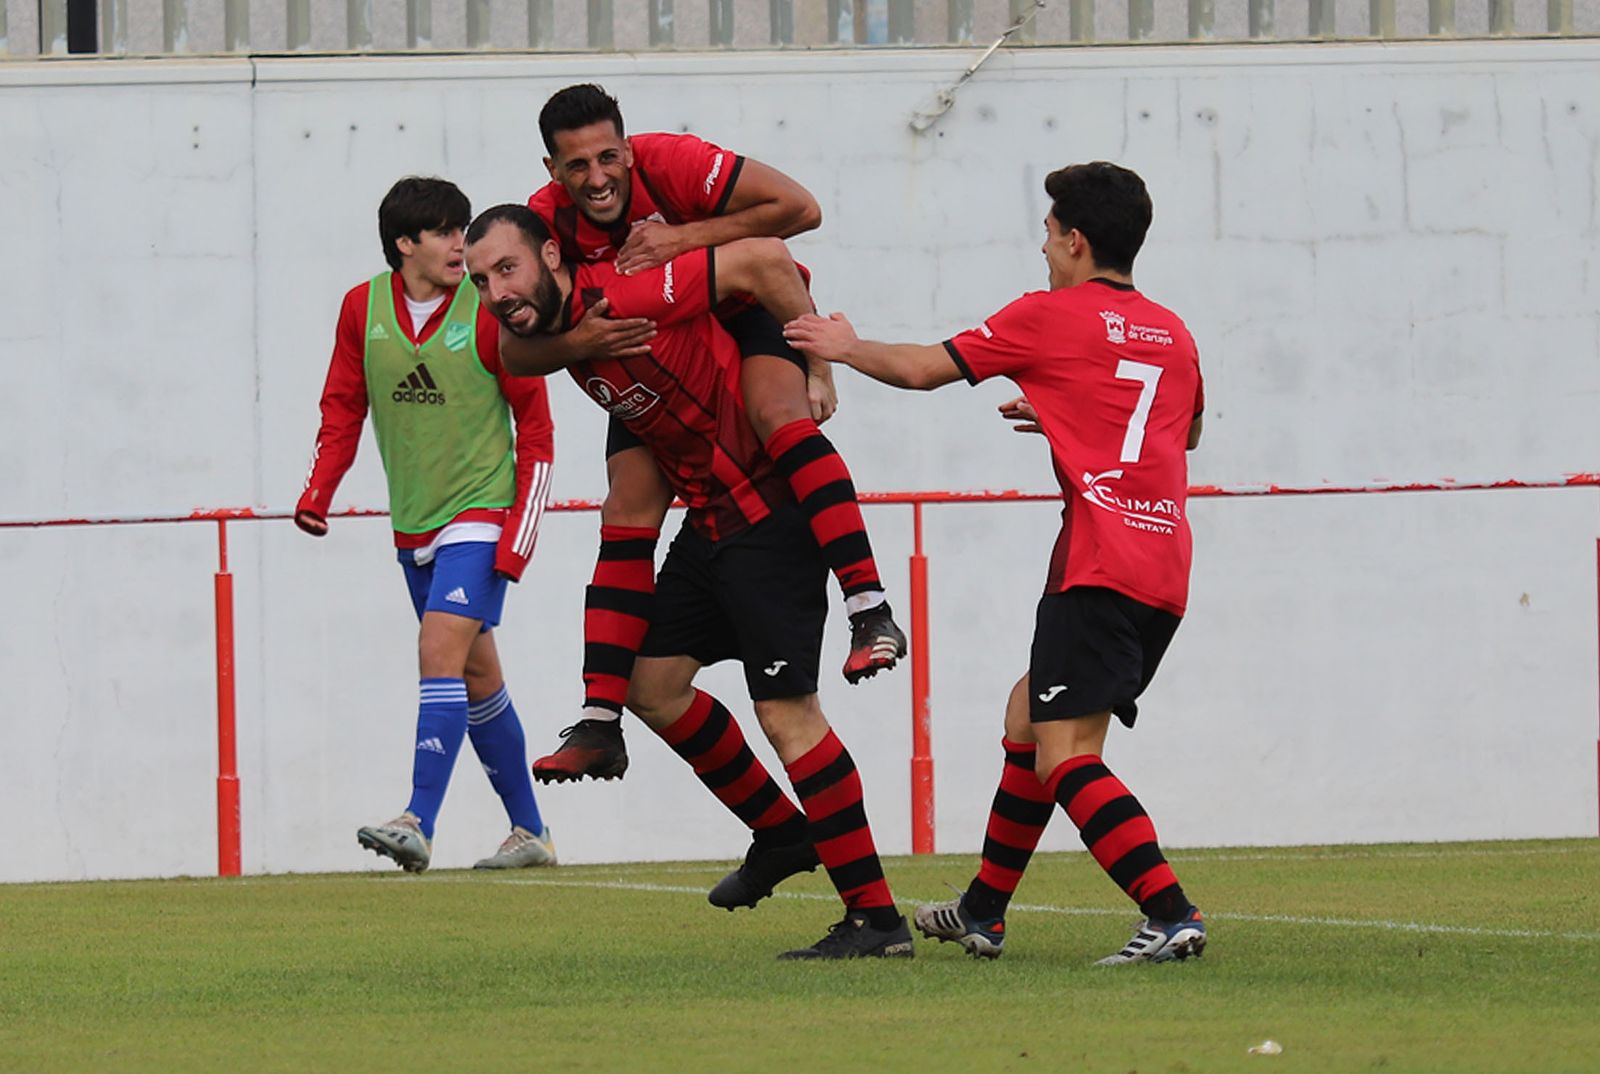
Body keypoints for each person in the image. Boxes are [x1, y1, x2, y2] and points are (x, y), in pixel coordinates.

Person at [784, 161, 1207, 965]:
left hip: (1099, 561)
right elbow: (1180, 434)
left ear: (1076, 241)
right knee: (1027, 720)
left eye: (1049, 234)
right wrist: (1070, 421)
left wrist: (845, 344)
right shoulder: (1174, 331)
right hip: (1164, 566)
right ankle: (983, 909)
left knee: (1067, 753)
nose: (1043, 248)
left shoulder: (1049, 315)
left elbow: (921, 369)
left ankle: (1170, 910)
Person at [465, 204, 913, 959]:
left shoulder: (636, 294)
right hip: (708, 527)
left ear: (550, 252)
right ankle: (780, 831)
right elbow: (515, 358)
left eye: (506, 269)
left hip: (772, 516)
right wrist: (597, 711)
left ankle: (876, 919)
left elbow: (771, 254)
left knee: (788, 716)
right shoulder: (566, 345)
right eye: (480, 280)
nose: (496, 291)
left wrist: (816, 360)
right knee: (651, 684)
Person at [516, 84, 907, 786]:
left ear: (630, 150)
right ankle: (601, 717)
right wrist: (578, 337)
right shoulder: (542, 229)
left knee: (778, 419)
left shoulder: (675, 164)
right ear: (552, 171)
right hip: (651, 344)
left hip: (740, 312)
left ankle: (870, 608)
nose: (597, 177)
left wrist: (683, 238)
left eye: (609, 158)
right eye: (578, 166)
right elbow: (509, 353)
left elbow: (797, 217)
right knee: (626, 508)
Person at [296, 177, 557, 874]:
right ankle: (530, 832)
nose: (459, 244)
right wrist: (320, 489)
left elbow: (536, 429)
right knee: (475, 679)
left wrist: (517, 539)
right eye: (444, 232)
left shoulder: (487, 308)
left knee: (436, 652)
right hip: (412, 527)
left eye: (462, 229)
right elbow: (342, 404)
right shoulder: (363, 307)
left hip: (481, 513)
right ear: (404, 244)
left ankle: (417, 820)